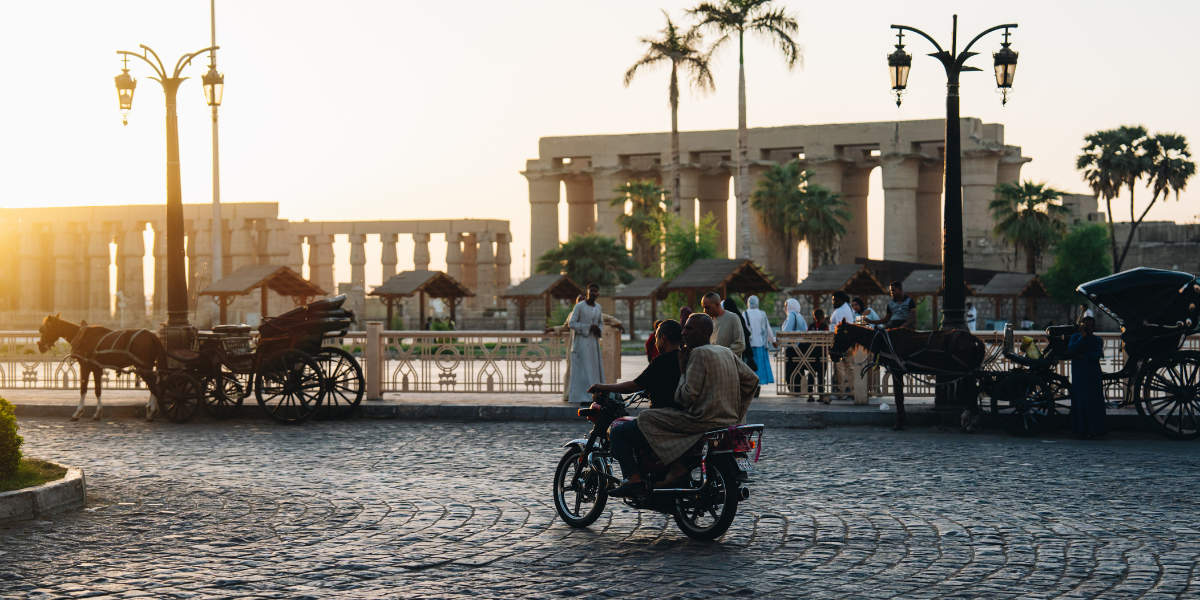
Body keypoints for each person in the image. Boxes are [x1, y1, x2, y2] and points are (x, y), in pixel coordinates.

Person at [610, 313, 757, 497]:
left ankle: (662, 471)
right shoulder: (725, 351)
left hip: (701, 421)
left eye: (689, 329)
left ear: (703, 333)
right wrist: (737, 412)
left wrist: (682, 368)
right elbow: (752, 380)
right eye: (684, 328)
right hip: (727, 421)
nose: (683, 332)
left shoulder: (697, 354)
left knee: (647, 417)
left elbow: (687, 396)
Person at [545, 293, 624, 402]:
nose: (581, 301)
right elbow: (567, 327)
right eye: (579, 299)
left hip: (587, 347)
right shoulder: (572, 314)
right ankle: (570, 395)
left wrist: (617, 324)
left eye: (583, 299)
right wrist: (553, 329)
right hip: (574, 346)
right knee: (573, 372)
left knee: (586, 372)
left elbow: (607, 318)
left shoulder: (592, 311)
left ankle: (588, 395)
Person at [589, 319, 683, 410]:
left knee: (620, 426)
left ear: (663, 338)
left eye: (656, 338)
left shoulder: (661, 361)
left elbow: (634, 386)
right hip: (679, 413)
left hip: (661, 415)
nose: (655, 343)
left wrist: (602, 387)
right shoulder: (684, 357)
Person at [1068, 316, 1106, 439]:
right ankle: (1081, 430)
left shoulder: (1098, 340)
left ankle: (1094, 430)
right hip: (1080, 374)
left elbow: (1096, 355)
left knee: (1094, 400)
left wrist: (1081, 355)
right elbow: (1072, 350)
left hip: (1093, 374)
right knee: (1081, 400)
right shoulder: (1075, 338)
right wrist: (1082, 337)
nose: (1089, 329)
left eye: (1091, 326)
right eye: (1086, 326)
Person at [744, 296, 776, 395]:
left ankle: (751, 387)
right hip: (761, 345)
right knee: (759, 367)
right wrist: (772, 340)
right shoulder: (762, 314)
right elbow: (767, 329)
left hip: (749, 346)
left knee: (749, 367)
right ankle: (758, 386)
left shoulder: (744, 314)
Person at [829, 292, 856, 401]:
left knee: (839, 367)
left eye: (836, 300)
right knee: (850, 367)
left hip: (840, 343)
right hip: (848, 342)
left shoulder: (840, 311)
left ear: (842, 301)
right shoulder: (847, 307)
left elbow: (839, 328)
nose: (834, 302)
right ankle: (852, 391)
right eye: (833, 300)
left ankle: (841, 392)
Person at [701, 292, 746, 357]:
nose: (705, 311)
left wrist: (721, 355)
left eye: (707, 307)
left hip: (728, 364)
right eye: (703, 307)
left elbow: (740, 345)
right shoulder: (707, 320)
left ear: (717, 304)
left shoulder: (732, 318)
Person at [780, 298, 807, 396]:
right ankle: (798, 388)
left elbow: (787, 330)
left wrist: (778, 340)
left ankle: (793, 389)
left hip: (792, 347)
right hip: (800, 346)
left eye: (786, 305)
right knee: (798, 368)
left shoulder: (791, 315)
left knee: (791, 369)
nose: (785, 308)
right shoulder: (799, 315)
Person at [722, 298, 756, 371]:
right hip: (742, 348)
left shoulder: (730, 318)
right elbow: (746, 332)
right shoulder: (739, 315)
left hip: (735, 348)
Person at [807, 308, 828, 402]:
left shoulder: (810, 326)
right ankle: (821, 395)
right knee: (821, 376)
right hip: (822, 353)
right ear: (823, 317)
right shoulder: (825, 327)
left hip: (811, 354)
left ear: (814, 317)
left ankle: (810, 395)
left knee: (811, 374)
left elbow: (806, 338)